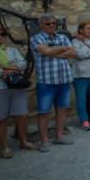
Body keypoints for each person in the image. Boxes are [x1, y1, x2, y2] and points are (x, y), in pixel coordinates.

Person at [0, 25, 33, 159]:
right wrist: (10, 68)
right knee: (1, 118)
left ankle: (23, 142)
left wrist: (2, 68)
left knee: (22, 116)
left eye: (2, 34)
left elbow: (22, 64)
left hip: (16, 86)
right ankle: (4, 148)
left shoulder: (13, 50)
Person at [30, 14, 76, 151]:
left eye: (53, 23)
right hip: (46, 81)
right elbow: (44, 51)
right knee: (44, 112)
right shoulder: (35, 38)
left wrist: (52, 52)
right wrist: (62, 49)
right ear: (41, 25)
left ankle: (59, 136)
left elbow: (73, 52)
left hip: (64, 79)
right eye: (48, 23)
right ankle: (44, 140)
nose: (51, 25)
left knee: (62, 110)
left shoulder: (62, 37)